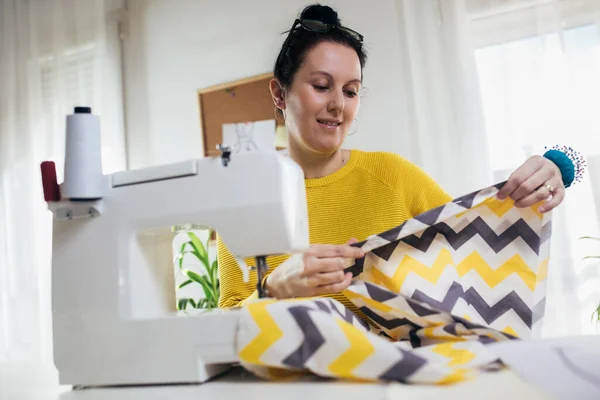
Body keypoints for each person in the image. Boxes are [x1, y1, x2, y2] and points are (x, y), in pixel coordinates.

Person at [217, 4, 566, 315]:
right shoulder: (245, 203)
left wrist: (560, 165)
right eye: (322, 86)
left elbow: (485, 235)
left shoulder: (393, 176)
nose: (339, 104)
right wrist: (272, 289)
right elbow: (226, 327)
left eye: (351, 91)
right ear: (280, 94)